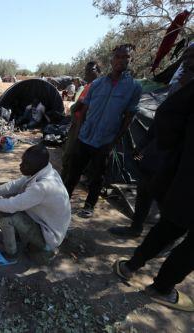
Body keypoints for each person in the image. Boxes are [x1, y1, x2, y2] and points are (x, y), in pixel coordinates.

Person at [113, 79, 194, 312]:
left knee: (167, 227)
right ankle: (161, 287)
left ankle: (131, 266)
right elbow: (163, 124)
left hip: (180, 177)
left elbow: (166, 120)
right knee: (185, 242)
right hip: (172, 173)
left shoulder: (182, 97)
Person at [109, 43, 194, 238]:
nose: (187, 62)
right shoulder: (178, 84)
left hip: (178, 158)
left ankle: (167, 238)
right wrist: (143, 144)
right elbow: (162, 118)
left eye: (192, 57)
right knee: (144, 188)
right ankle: (136, 227)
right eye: (186, 56)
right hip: (157, 151)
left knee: (168, 198)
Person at [64, 44, 142, 218]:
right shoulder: (97, 83)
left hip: (105, 140)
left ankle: (89, 206)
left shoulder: (134, 88)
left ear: (131, 60)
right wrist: (80, 131)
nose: (121, 60)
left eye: (125, 57)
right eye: (118, 57)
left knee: (97, 176)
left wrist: (113, 142)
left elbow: (128, 118)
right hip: (85, 137)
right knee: (73, 172)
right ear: (112, 59)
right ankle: (63, 200)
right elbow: (85, 110)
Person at [0, 144, 71, 266]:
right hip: (46, 223)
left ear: (37, 166)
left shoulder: (42, 187)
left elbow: (11, 205)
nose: (21, 165)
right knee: (5, 202)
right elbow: (13, 185)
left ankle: (10, 255)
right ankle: (18, 236)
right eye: (23, 161)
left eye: (26, 164)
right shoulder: (45, 171)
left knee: (7, 216)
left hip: (50, 236)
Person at [61, 61, 102, 182]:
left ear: (99, 72)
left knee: (70, 153)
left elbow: (80, 105)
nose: (87, 73)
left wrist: (73, 108)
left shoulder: (95, 86)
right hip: (79, 122)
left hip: (81, 123)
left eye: (92, 70)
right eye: (86, 71)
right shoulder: (89, 86)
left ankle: (64, 182)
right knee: (72, 153)